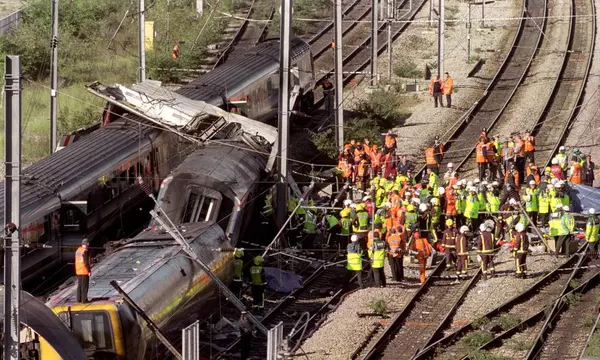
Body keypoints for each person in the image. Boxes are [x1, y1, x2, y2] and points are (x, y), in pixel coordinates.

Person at [75, 238, 91, 303]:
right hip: (84, 271)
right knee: (85, 286)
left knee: (80, 285)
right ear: (87, 244)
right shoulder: (85, 251)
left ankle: (79, 299)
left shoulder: (78, 250)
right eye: (88, 243)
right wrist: (89, 271)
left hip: (78, 270)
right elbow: (86, 262)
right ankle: (84, 300)